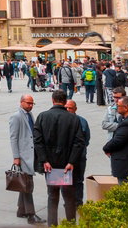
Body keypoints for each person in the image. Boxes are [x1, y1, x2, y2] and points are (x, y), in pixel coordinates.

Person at [33, 89, 86, 227]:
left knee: (52, 196)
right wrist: (71, 161)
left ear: (52, 100)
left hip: (49, 164)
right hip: (66, 164)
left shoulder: (42, 116)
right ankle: (70, 224)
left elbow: (37, 141)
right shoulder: (73, 118)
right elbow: (79, 142)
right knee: (69, 196)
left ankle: (53, 225)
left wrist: (44, 160)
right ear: (64, 101)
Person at [9, 95, 43, 225]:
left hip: (30, 154)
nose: (30, 105)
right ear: (21, 102)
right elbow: (13, 138)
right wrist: (16, 157)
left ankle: (21, 210)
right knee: (28, 185)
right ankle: (30, 214)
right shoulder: (16, 116)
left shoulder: (29, 115)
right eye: (28, 103)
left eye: (32, 103)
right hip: (23, 156)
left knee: (24, 182)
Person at [65, 100, 90, 208]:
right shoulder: (62, 121)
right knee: (66, 181)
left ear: (75, 109)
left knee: (79, 180)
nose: (68, 110)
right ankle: (68, 202)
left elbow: (87, 139)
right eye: (66, 108)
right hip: (65, 157)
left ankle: (78, 202)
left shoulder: (82, 121)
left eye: (70, 108)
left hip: (80, 156)